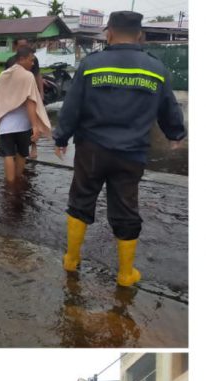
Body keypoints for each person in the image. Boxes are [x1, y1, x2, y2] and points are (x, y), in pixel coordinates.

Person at [53, 10, 185, 287]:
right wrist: (176, 134)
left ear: (109, 32)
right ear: (140, 35)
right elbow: (169, 109)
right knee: (126, 208)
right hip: (132, 153)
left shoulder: (91, 65)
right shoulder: (156, 68)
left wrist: (61, 138)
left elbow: (71, 107)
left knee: (81, 200)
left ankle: (71, 259)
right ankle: (125, 274)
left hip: (91, 150)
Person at [0, 47, 50, 185]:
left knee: (8, 154)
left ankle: (10, 184)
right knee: (22, 153)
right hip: (23, 124)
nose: (32, 63)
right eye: (31, 60)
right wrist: (35, 125)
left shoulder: (3, 75)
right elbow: (30, 102)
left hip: (5, 124)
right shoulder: (28, 76)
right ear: (21, 59)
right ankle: (16, 181)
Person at [4, 38, 44, 158]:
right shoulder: (10, 61)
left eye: (25, 45)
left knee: (33, 119)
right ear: (15, 47)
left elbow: (37, 75)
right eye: (21, 46)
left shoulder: (33, 60)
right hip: (16, 96)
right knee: (20, 121)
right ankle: (18, 147)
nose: (23, 48)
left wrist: (41, 93)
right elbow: (6, 80)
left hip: (31, 93)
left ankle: (33, 145)